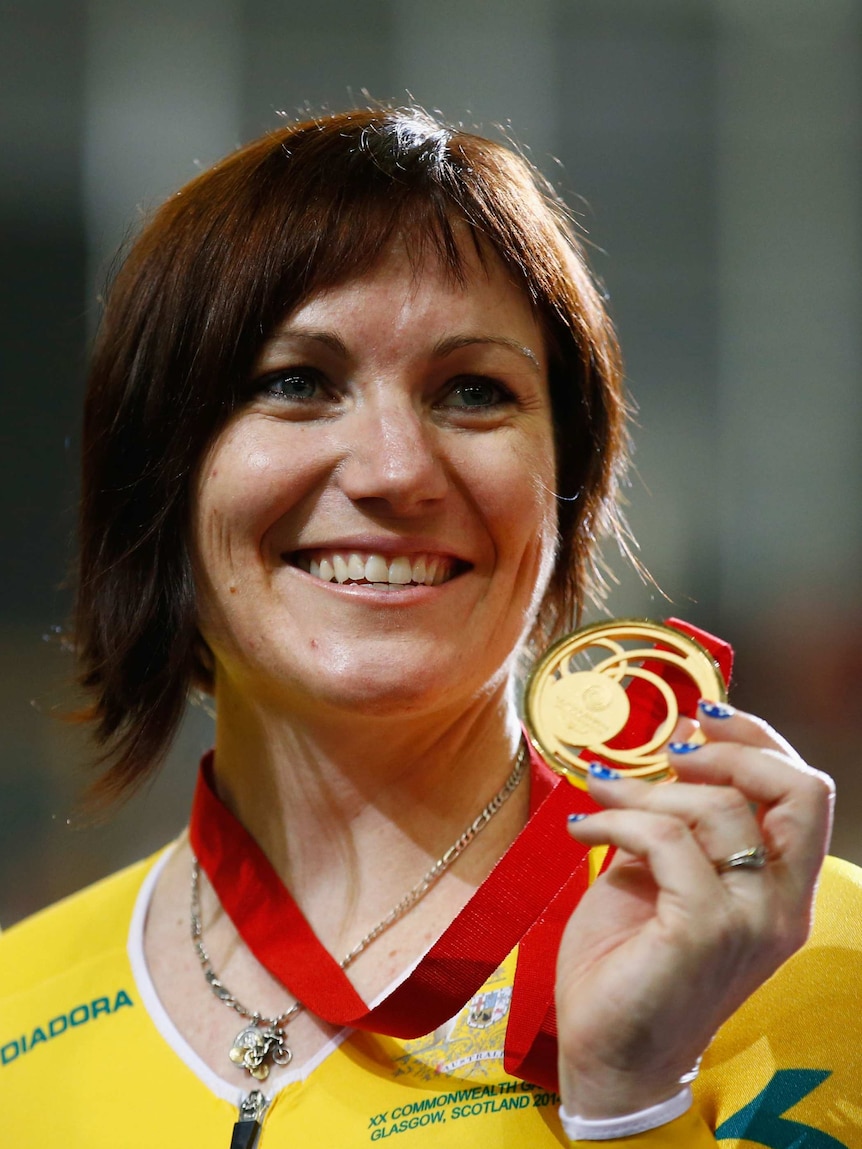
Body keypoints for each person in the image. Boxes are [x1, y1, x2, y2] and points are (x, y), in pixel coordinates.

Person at [0, 106, 859, 1148]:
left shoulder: (820, 964)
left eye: (471, 391)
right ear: (160, 473)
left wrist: (631, 1100)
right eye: (297, 384)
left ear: (567, 486)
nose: (397, 470)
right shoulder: (19, 1018)